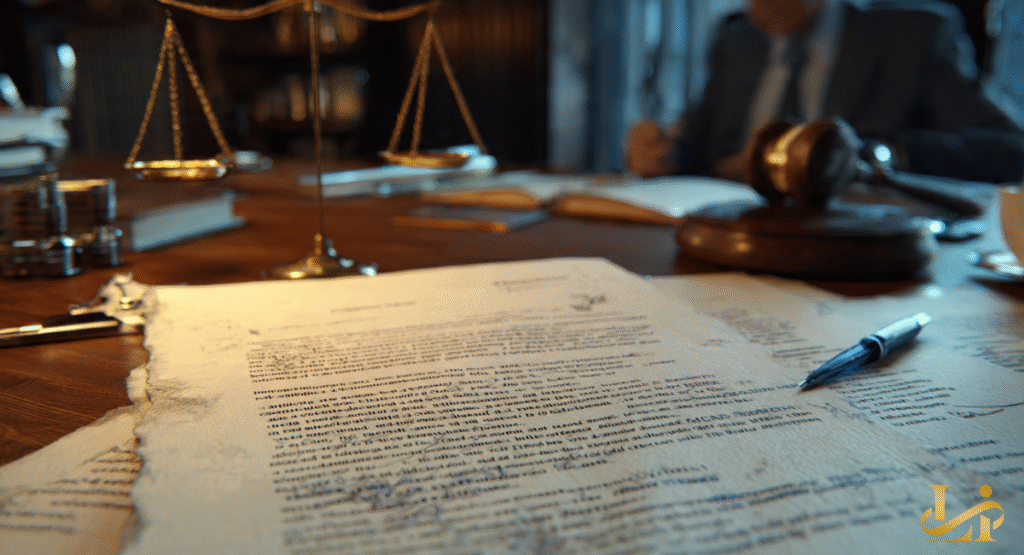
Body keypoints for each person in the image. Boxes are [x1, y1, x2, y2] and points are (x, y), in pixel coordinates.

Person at [625, 0, 1024, 184]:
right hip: (733, 231)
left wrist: (876, 155)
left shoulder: (914, 36)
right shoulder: (738, 40)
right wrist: (664, 155)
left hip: (855, 246)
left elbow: (1009, 149)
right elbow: (697, 148)